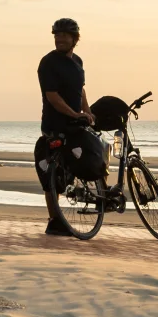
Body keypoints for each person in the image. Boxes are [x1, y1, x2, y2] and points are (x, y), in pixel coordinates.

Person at [36, 18, 95, 236]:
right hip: (54, 125)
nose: (59, 39)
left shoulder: (78, 61)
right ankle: (54, 220)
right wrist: (74, 114)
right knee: (50, 173)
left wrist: (87, 112)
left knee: (85, 157)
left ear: (74, 39)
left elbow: (81, 91)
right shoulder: (48, 63)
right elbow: (52, 97)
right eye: (56, 35)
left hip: (75, 124)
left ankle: (97, 194)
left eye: (64, 36)